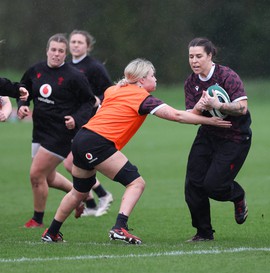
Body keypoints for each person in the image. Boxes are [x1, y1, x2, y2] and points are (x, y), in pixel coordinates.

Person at [41, 58, 232, 244]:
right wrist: (209, 120)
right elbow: (176, 115)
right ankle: (119, 227)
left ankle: (51, 232)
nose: (155, 78)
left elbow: (181, 114)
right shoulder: (142, 98)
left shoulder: (113, 90)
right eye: (152, 75)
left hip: (82, 138)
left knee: (79, 192)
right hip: (97, 143)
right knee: (136, 183)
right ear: (141, 80)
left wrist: (198, 109)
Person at [18, 33, 95, 228]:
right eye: (53, 50)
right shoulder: (35, 70)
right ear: (47, 51)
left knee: (36, 175)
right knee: (48, 177)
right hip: (39, 131)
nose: (56, 54)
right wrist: (22, 104)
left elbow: (89, 101)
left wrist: (76, 119)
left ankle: (37, 219)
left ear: (65, 54)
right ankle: (80, 194)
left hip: (61, 133)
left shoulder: (74, 76)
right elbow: (23, 89)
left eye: (61, 51)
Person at [183, 37, 252, 242]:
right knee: (193, 185)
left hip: (235, 136)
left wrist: (219, 105)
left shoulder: (226, 75)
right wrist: (201, 107)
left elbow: (242, 108)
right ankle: (204, 233)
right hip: (207, 135)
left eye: (199, 56)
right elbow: (192, 116)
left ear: (210, 56)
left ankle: (237, 195)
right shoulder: (191, 82)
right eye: (191, 57)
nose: (194, 61)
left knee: (214, 186)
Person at [67, 30, 114, 217]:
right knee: (73, 163)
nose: (76, 45)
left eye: (80, 42)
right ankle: (93, 202)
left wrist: (98, 100)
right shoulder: (67, 66)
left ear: (88, 46)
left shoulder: (94, 67)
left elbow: (109, 90)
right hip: (73, 118)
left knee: (74, 162)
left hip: (90, 119)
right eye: (73, 41)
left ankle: (101, 196)